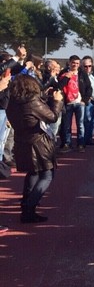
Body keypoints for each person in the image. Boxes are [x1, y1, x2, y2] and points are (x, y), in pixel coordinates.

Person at [6, 74, 64, 223]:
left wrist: (46, 97)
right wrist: (57, 102)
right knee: (47, 175)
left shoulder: (13, 102)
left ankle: (26, 206)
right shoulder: (32, 102)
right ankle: (29, 206)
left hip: (22, 141)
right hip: (38, 143)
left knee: (33, 173)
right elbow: (51, 117)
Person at [58, 55, 92, 152]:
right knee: (67, 125)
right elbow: (59, 86)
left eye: (77, 63)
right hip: (68, 103)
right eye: (73, 63)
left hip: (79, 103)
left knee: (80, 124)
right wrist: (67, 77)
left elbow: (89, 88)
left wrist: (84, 100)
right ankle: (67, 144)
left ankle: (81, 144)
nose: (75, 65)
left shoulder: (82, 73)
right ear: (69, 62)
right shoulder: (64, 73)